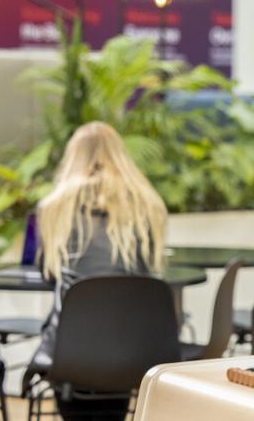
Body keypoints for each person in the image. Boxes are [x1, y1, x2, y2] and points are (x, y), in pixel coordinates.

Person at [30, 121, 167, 420]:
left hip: (72, 353)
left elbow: (49, 273)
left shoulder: (55, 208)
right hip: (135, 347)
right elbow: (150, 274)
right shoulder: (149, 205)